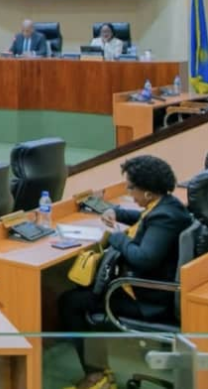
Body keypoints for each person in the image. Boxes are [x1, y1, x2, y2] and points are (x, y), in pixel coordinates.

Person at [58, 156, 191, 389]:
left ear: (147, 192)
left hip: (149, 299)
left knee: (71, 302)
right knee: (82, 293)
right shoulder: (168, 206)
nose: (130, 193)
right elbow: (144, 220)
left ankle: (96, 377)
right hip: (150, 288)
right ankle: (99, 370)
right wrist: (116, 212)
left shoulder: (165, 217)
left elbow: (144, 258)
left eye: (131, 188)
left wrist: (117, 237)